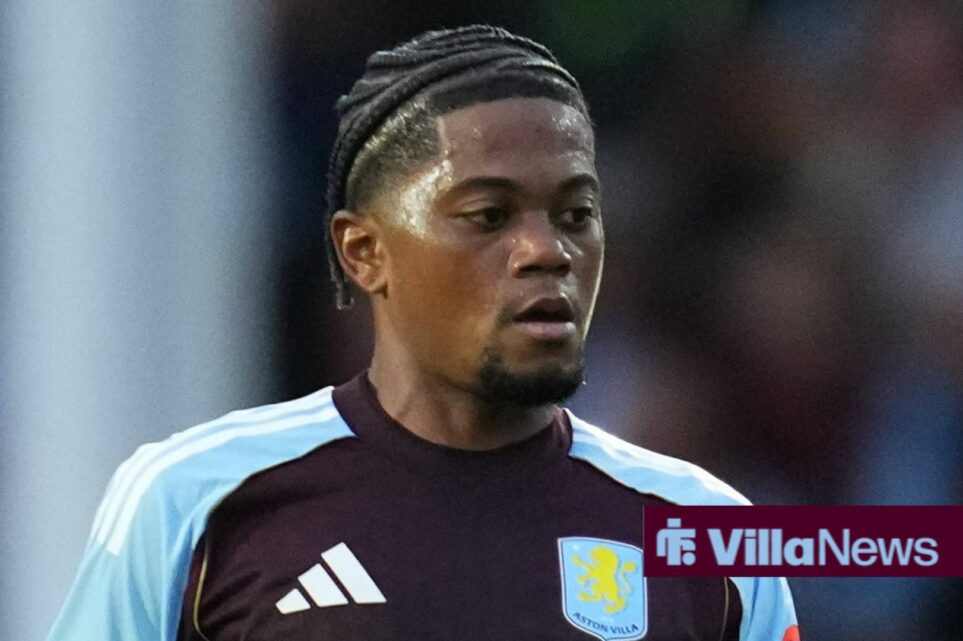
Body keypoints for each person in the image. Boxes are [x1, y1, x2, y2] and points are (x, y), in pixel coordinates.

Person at [47, 25, 797, 641]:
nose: (548, 250)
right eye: (489, 215)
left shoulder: (708, 533)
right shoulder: (192, 501)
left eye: (576, 214)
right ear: (364, 252)